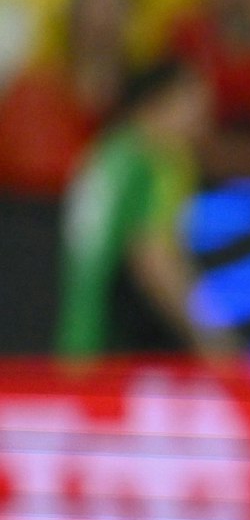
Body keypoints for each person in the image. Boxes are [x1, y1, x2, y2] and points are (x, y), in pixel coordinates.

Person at [56, 60, 236, 364]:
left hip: (78, 340)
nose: (204, 121)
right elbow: (154, 260)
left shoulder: (111, 151)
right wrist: (216, 342)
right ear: (159, 102)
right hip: (121, 354)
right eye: (194, 105)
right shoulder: (159, 161)